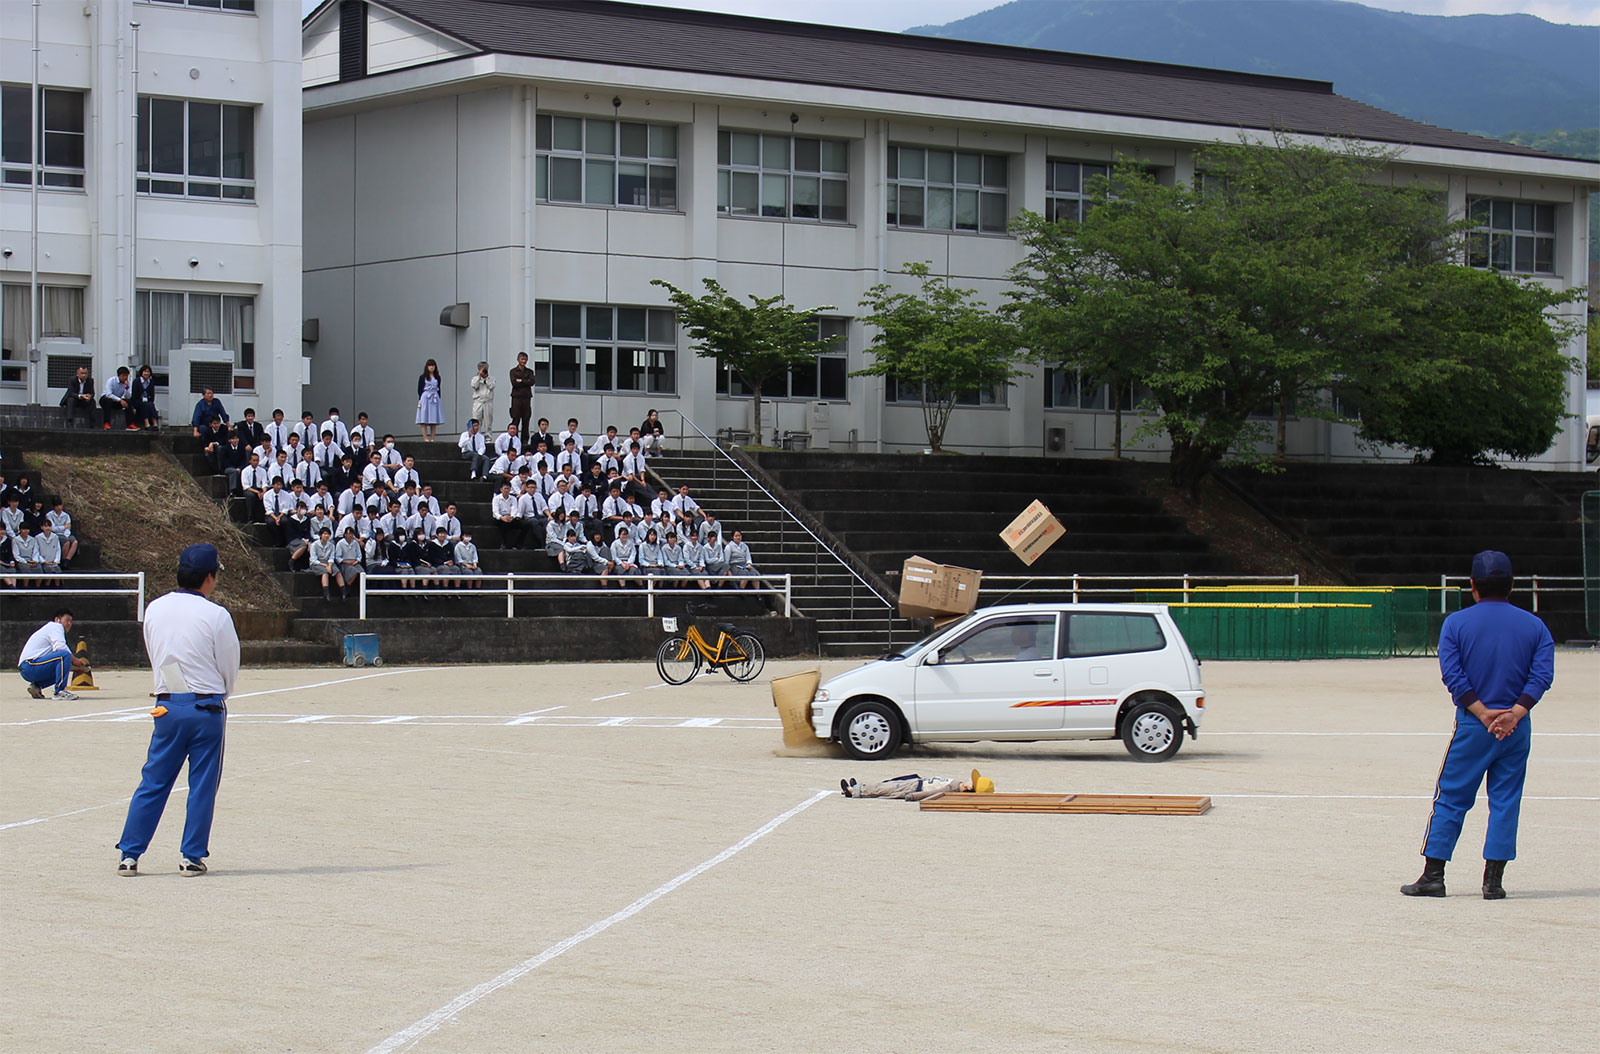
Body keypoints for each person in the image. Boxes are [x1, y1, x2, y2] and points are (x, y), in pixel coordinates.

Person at [1402, 551, 1556, 901]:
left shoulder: (1456, 624)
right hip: (1516, 727)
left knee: (1452, 797)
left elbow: (1452, 674)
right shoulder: (1535, 626)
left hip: (1475, 724)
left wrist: (1483, 712)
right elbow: (1542, 675)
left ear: (1472, 585)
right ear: (1511, 585)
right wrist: (1515, 712)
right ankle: (1493, 880)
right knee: (1505, 799)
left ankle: (1434, 876)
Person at [115, 544, 239, 877]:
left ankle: (130, 854)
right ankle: (192, 855)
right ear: (209, 578)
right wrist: (219, 693)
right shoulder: (216, 614)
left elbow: (157, 653)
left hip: (168, 702)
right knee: (202, 783)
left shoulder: (155, 608)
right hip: (206, 705)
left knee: (153, 780)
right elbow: (229, 665)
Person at [17, 609, 88, 701]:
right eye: (66, 620)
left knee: (63, 665)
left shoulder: (50, 630)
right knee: (65, 655)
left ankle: (37, 686)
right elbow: (60, 647)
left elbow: (57, 659)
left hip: (27, 670)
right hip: (30, 665)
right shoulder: (56, 626)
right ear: (57, 620)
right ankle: (60, 691)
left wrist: (73, 667)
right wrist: (75, 661)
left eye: (71, 621)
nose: (69, 624)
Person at [840, 770, 995, 800]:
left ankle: (855, 791)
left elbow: (931, 794)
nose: (969, 779)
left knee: (886, 789)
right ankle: (861, 786)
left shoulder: (953, 788)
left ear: (971, 787)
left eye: (971, 781)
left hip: (917, 788)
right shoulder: (958, 785)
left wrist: (914, 796)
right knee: (889, 783)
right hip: (919, 781)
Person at [508, 352, 535, 440]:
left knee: (526, 419)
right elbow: (514, 383)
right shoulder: (513, 371)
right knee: (516, 418)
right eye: (522, 359)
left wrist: (521, 380)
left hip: (526, 398)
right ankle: (514, 438)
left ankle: (524, 440)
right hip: (516, 398)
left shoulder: (530, 371)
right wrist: (525, 381)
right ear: (518, 359)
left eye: (525, 359)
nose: (524, 361)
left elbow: (531, 382)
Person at [416, 359, 444, 442]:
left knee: (433, 418)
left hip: (434, 397)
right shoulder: (422, 377)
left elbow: (439, 388)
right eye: (430, 365)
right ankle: (425, 438)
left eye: (433, 365)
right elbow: (419, 389)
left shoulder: (437, 377)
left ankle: (432, 438)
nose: (431, 367)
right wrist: (421, 399)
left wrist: (438, 397)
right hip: (425, 397)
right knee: (423, 418)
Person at [131, 365, 160, 430]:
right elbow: (134, 394)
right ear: (141, 372)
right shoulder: (137, 381)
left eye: (148, 372)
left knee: (150, 404)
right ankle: (147, 424)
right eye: (145, 371)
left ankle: (155, 424)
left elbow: (152, 395)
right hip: (138, 401)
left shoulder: (151, 382)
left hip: (148, 401)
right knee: (145, 405)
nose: (146, 373)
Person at [470, 361, 496, 431]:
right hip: (478, 402)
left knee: (488, 422)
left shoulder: (491, 379)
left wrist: (486, 378)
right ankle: (476, 436)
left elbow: (491, 386)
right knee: (476, 420)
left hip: (488, 402)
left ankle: (488, 439)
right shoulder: (475, 378)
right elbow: (474, 385)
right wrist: (479, 376)